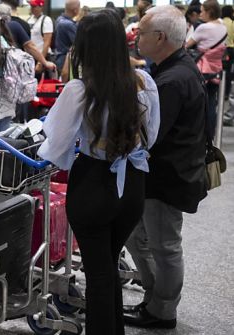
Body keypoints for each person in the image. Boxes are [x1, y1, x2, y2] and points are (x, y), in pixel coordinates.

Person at [37, 9, 160, 334]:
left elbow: (55, 143)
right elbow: (153, 134)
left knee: (100, 273)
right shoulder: (143, 81)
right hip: (133, 183)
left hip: (93, 185)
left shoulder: (79, 89)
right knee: (106, 267)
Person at [123, 6, 208, 329]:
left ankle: (162, 310)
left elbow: (149, 134)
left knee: (164, 246)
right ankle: (155, 298)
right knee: (141, 237)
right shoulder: (175, 66)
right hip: (167, 172)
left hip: (166, 176)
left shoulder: (172, 80)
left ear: (159, 37)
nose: (135, 36)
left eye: (140, 32)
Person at [185, 0, 226, 141]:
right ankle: (211, 134)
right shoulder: (223, 27)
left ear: (210, 11)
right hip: (216, 70)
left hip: (202, 70)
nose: (200, 13)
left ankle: (199, 134)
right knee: (212, 102)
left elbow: (187, 45)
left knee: (198, 103)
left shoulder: (203, 28)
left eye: (202, 10)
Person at [54, 0, 80, 75]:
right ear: (75, 10)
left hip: (59, 57)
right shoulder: (68, 24)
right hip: (66, 60)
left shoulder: (59, 19)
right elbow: (78, 42)